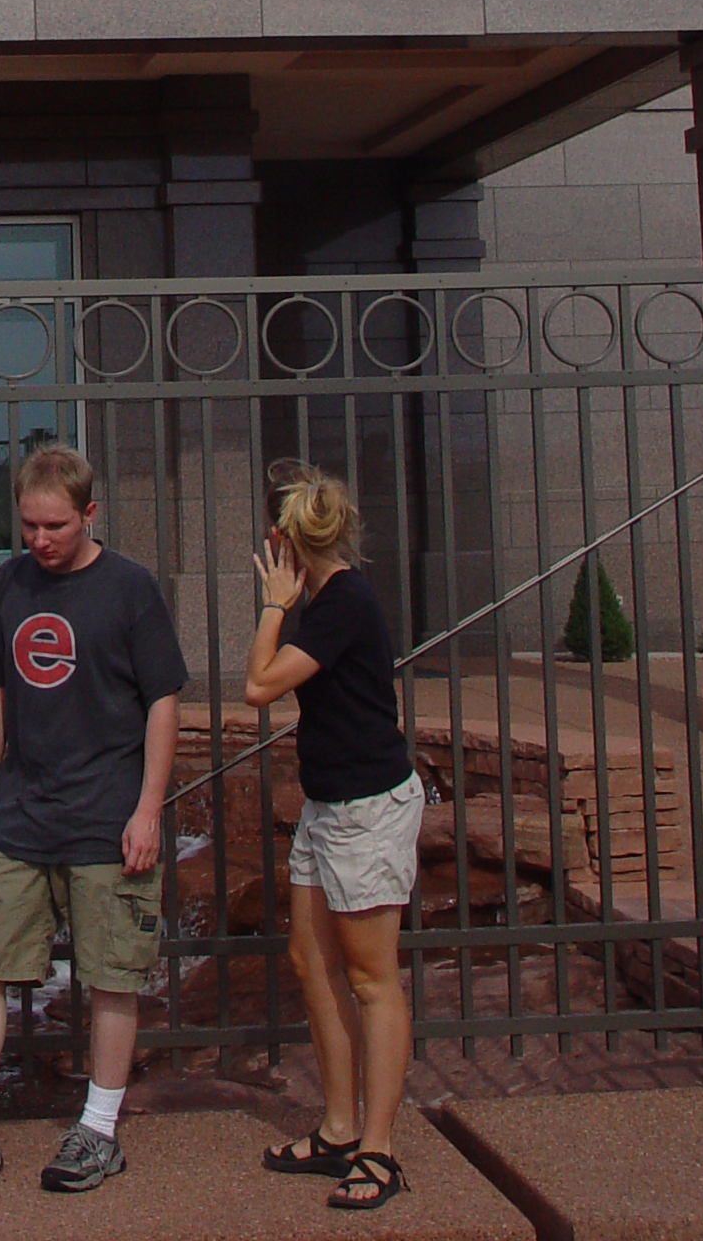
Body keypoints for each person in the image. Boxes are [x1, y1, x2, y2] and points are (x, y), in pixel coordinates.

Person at [0, 443, 186, 1196]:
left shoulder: (131, 589)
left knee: (111, 978)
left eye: (54, 525)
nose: (40, 540)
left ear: (89, 513)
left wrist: (149, 809)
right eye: (28, 526)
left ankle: (99, 1131)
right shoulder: (9, 583)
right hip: (20, 812)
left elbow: (164, 703)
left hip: (108, 819)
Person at [246, 465, 423, 1213]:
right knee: (309, 958)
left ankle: (379, 1153)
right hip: (329, 806)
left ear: (283, 539)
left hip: (367, 809)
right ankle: (339, 1126)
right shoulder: (329, 599)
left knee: (372, 978)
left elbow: (259, 686)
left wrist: (270, 607)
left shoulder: (339, 600)